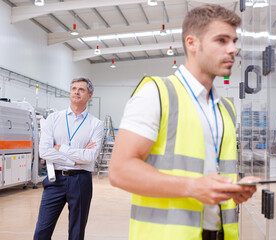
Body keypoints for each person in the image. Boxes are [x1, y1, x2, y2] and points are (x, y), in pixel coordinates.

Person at [109, 4, 259, 240]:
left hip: (219, 233)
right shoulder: (156, 93)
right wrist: (192, 187)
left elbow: (209, 170)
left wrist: (234, 187)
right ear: (192, 43)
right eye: (221, 40)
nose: (232, 49)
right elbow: (119, 171)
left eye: (234, 41)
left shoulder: (225, 109)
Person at [34, 77, 104, 240]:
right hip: (54, 180)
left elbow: (90, 156)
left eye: (81, 89)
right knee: (42, 231)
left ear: (90, 95)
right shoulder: (53, 119)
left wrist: (61, 149)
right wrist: (75, 160)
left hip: (81, 180)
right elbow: (44, 151)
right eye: (74, 89)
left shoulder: (96, 124)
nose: (76, 92)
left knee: (76, 232)